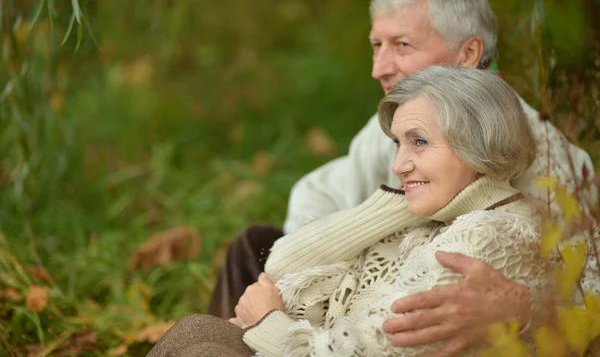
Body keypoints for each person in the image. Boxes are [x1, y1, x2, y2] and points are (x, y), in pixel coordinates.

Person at [206, 0, 598, 356]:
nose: (379, 67)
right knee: (251, 248)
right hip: (355, 305)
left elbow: (592, 299)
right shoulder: (396, 126)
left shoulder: (553, 164)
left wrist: (523, 309)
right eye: (377, 45)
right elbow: (322, 194)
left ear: (468, 54)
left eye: (402, 45)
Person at [149, 66, 550, 356]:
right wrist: (400, 207)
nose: (399, 165)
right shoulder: (437, 220)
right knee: (196, 331)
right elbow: (281, 264)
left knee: (200, 348)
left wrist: (266, 324)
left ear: (475, 145)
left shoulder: (483, 237)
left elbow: (370, 351)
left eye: (420, 142)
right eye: (398, 144)